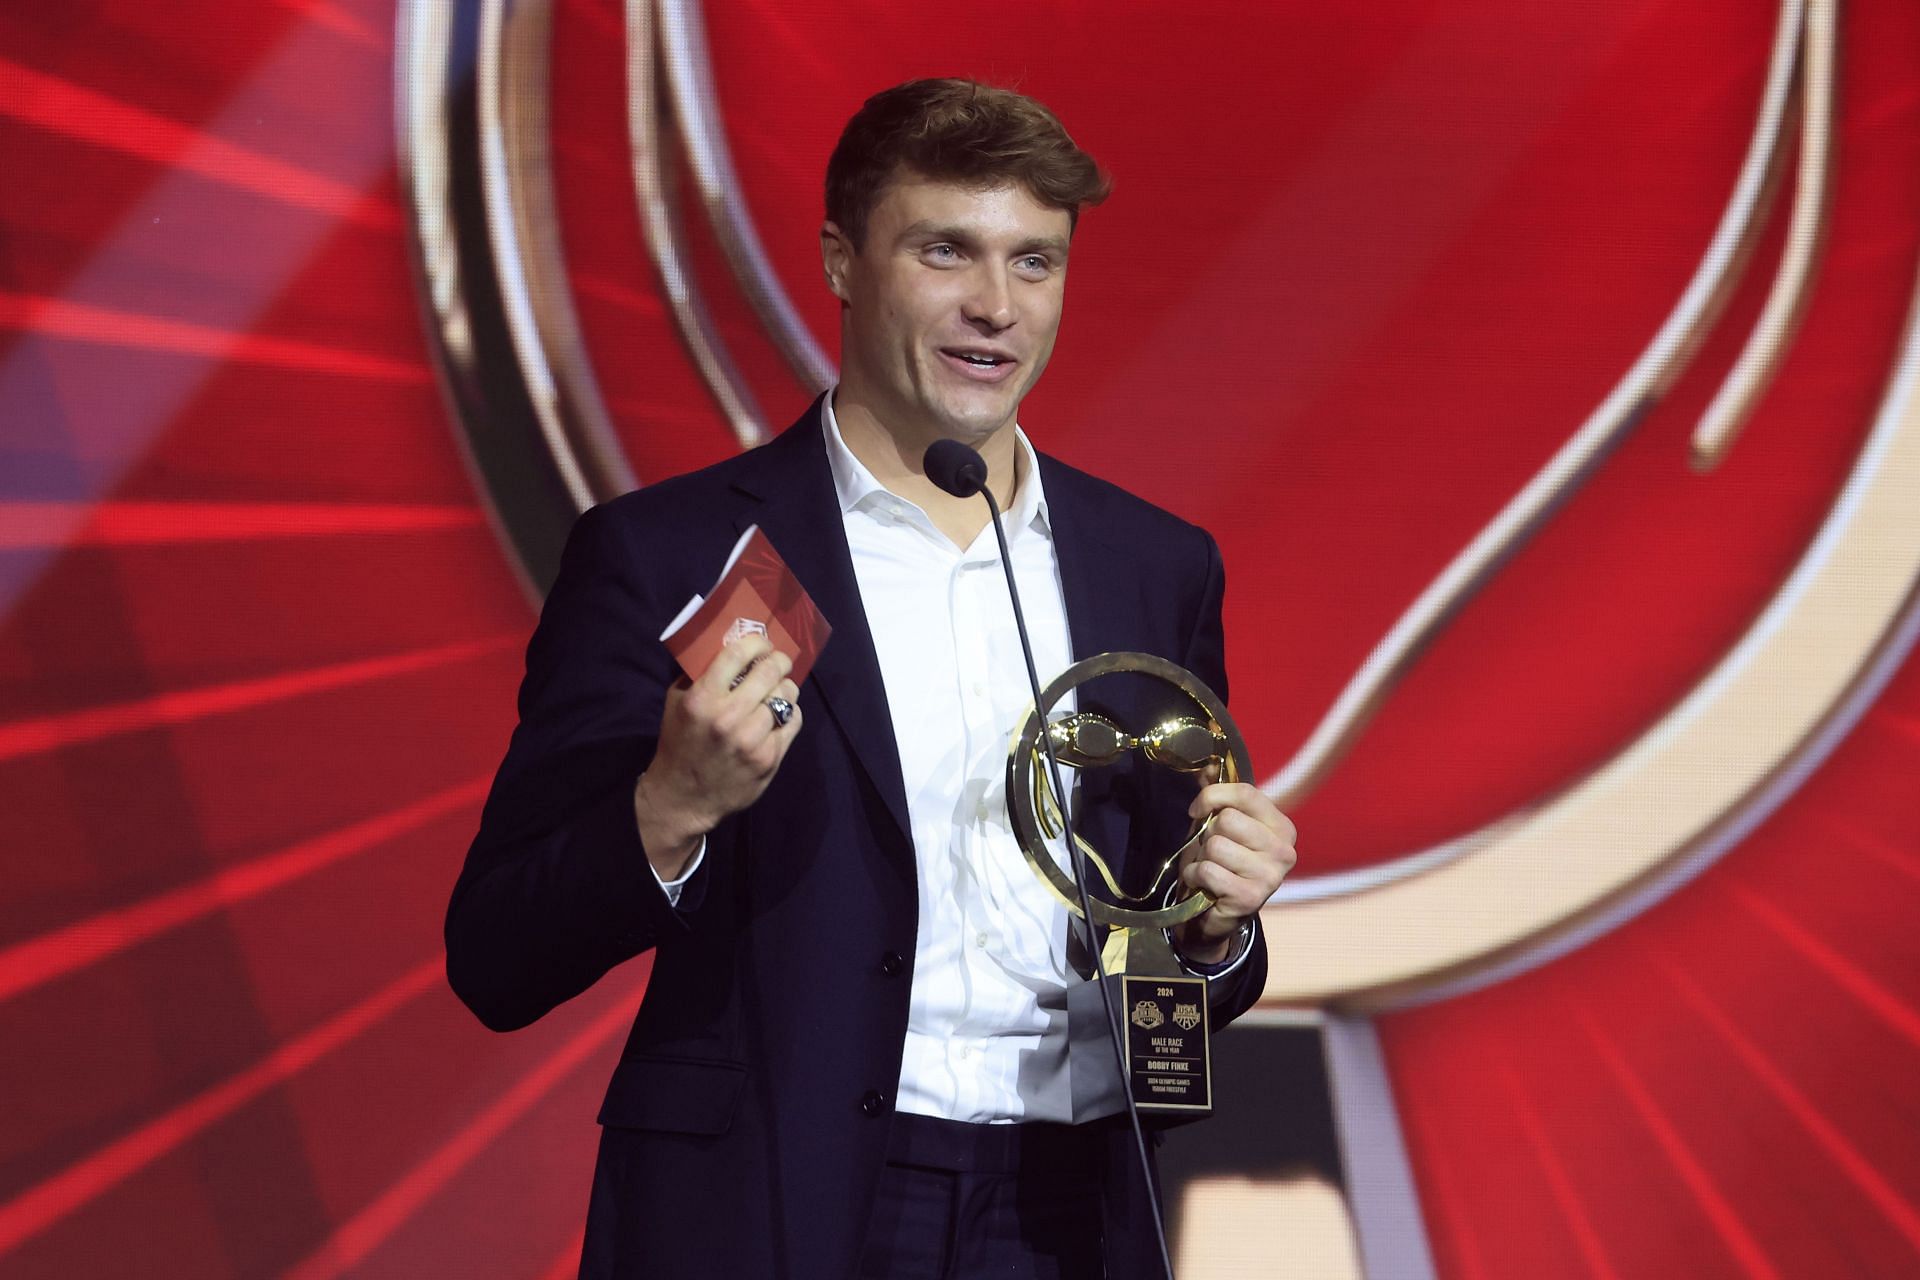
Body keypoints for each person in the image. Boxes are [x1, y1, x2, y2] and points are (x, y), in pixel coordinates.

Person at [447, 78, 1298, 1280]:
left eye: (1035, 262)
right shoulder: (672, 554)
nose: (995, 307)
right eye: (946, 251)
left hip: (1066, 1214)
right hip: (775, 1205)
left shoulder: (1152, 564)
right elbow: (497, 953)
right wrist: (671, 806)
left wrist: (1216, 921)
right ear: (842, 259)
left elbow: (1164, 931)